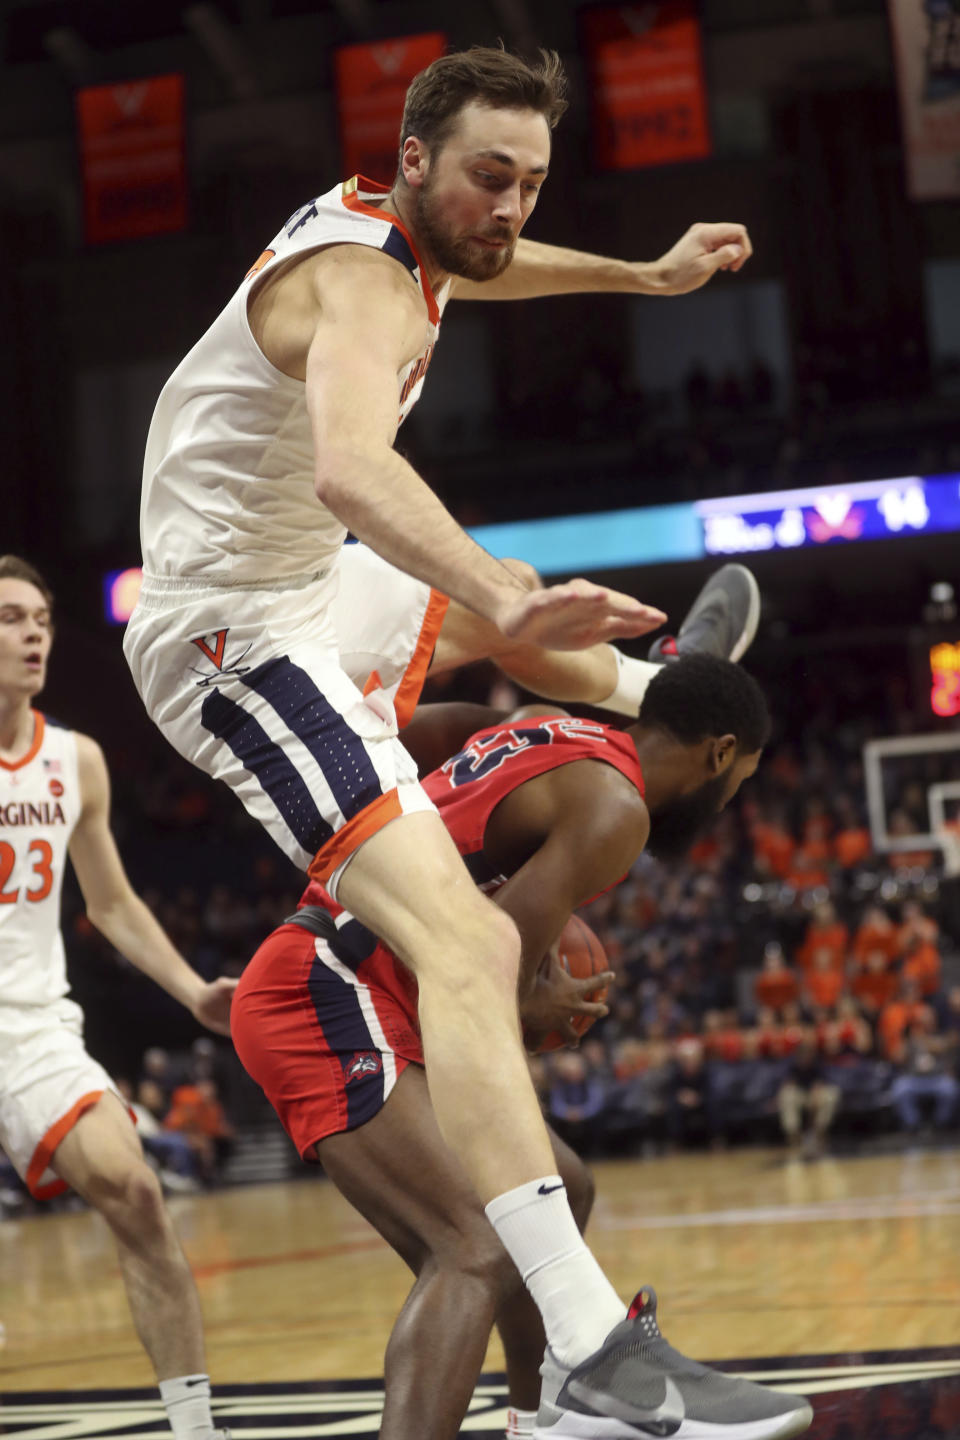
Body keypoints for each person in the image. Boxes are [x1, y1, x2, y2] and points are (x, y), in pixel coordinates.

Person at [122, 43, 785, 1437]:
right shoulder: (358, 286)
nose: (510, 208)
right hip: (230, 633)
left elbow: (503, 261)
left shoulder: (411, 230)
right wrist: (498, 581)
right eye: (491, 174)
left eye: (530, 184)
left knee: (478, 634)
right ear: (412, 159)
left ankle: (646, 688)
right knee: (472, 927)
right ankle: (596, 1349)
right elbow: (352, 470)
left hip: (301, 585)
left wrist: (646, 277)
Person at [232, 655, 812, 1440]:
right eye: (738, 781)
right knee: (473, 1245)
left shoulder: (536, 723)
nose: (728, 799)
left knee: (560, 1190)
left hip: (357, 983)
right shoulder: (617, 809)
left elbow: (411, 733)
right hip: (327, 988)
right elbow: (488, 972)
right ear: (718, 754)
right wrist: (541, 999)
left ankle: (542, 1421)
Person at [0, 556, 234, 1440]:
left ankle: (193, 1427)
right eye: (11, 618)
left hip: (30, 1025)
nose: (32, 635)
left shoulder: (76, 761)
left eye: (43, 619)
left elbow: (112, 903)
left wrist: (190, 991)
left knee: (137, 1192)